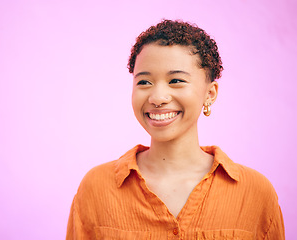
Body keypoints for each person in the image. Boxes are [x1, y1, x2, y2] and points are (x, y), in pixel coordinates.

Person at [66, 19, 285, 239]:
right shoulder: (96, 187)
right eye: (144, 82)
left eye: (176, 80)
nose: (158, 97)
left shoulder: (256, 192)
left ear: (210, 94)